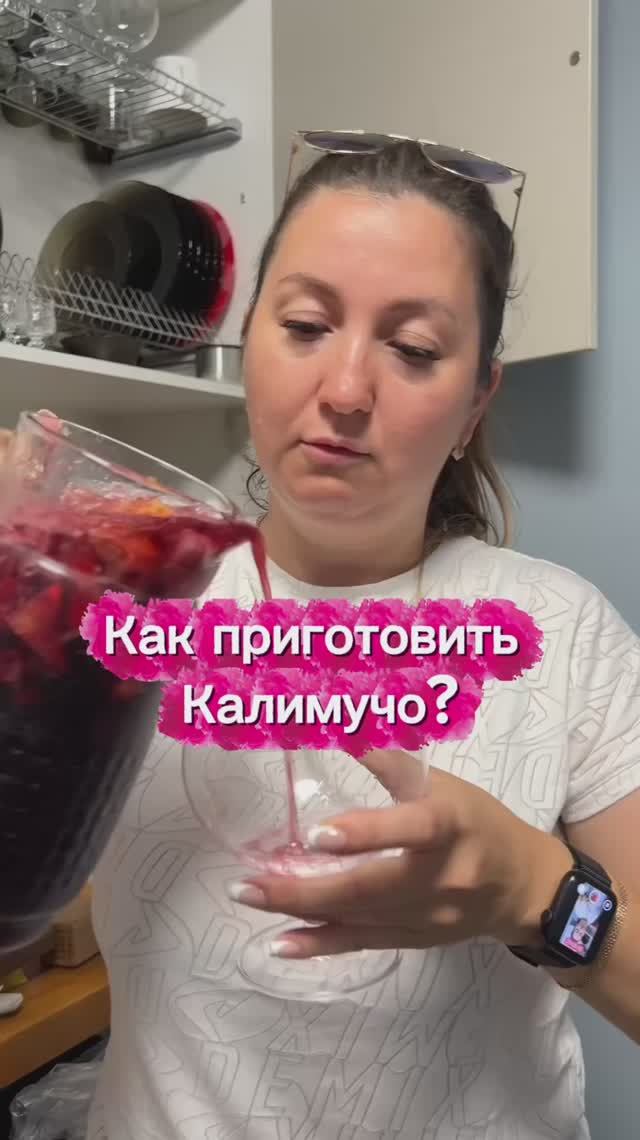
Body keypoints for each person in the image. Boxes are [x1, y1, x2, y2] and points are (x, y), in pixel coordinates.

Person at [82, 137, 639, 1140]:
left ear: (474, 404)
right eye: (304, 325)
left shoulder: (565, 633)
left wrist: (535, 890)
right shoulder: (129, 601)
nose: (344, 390)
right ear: (249, 343)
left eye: (413, 349)